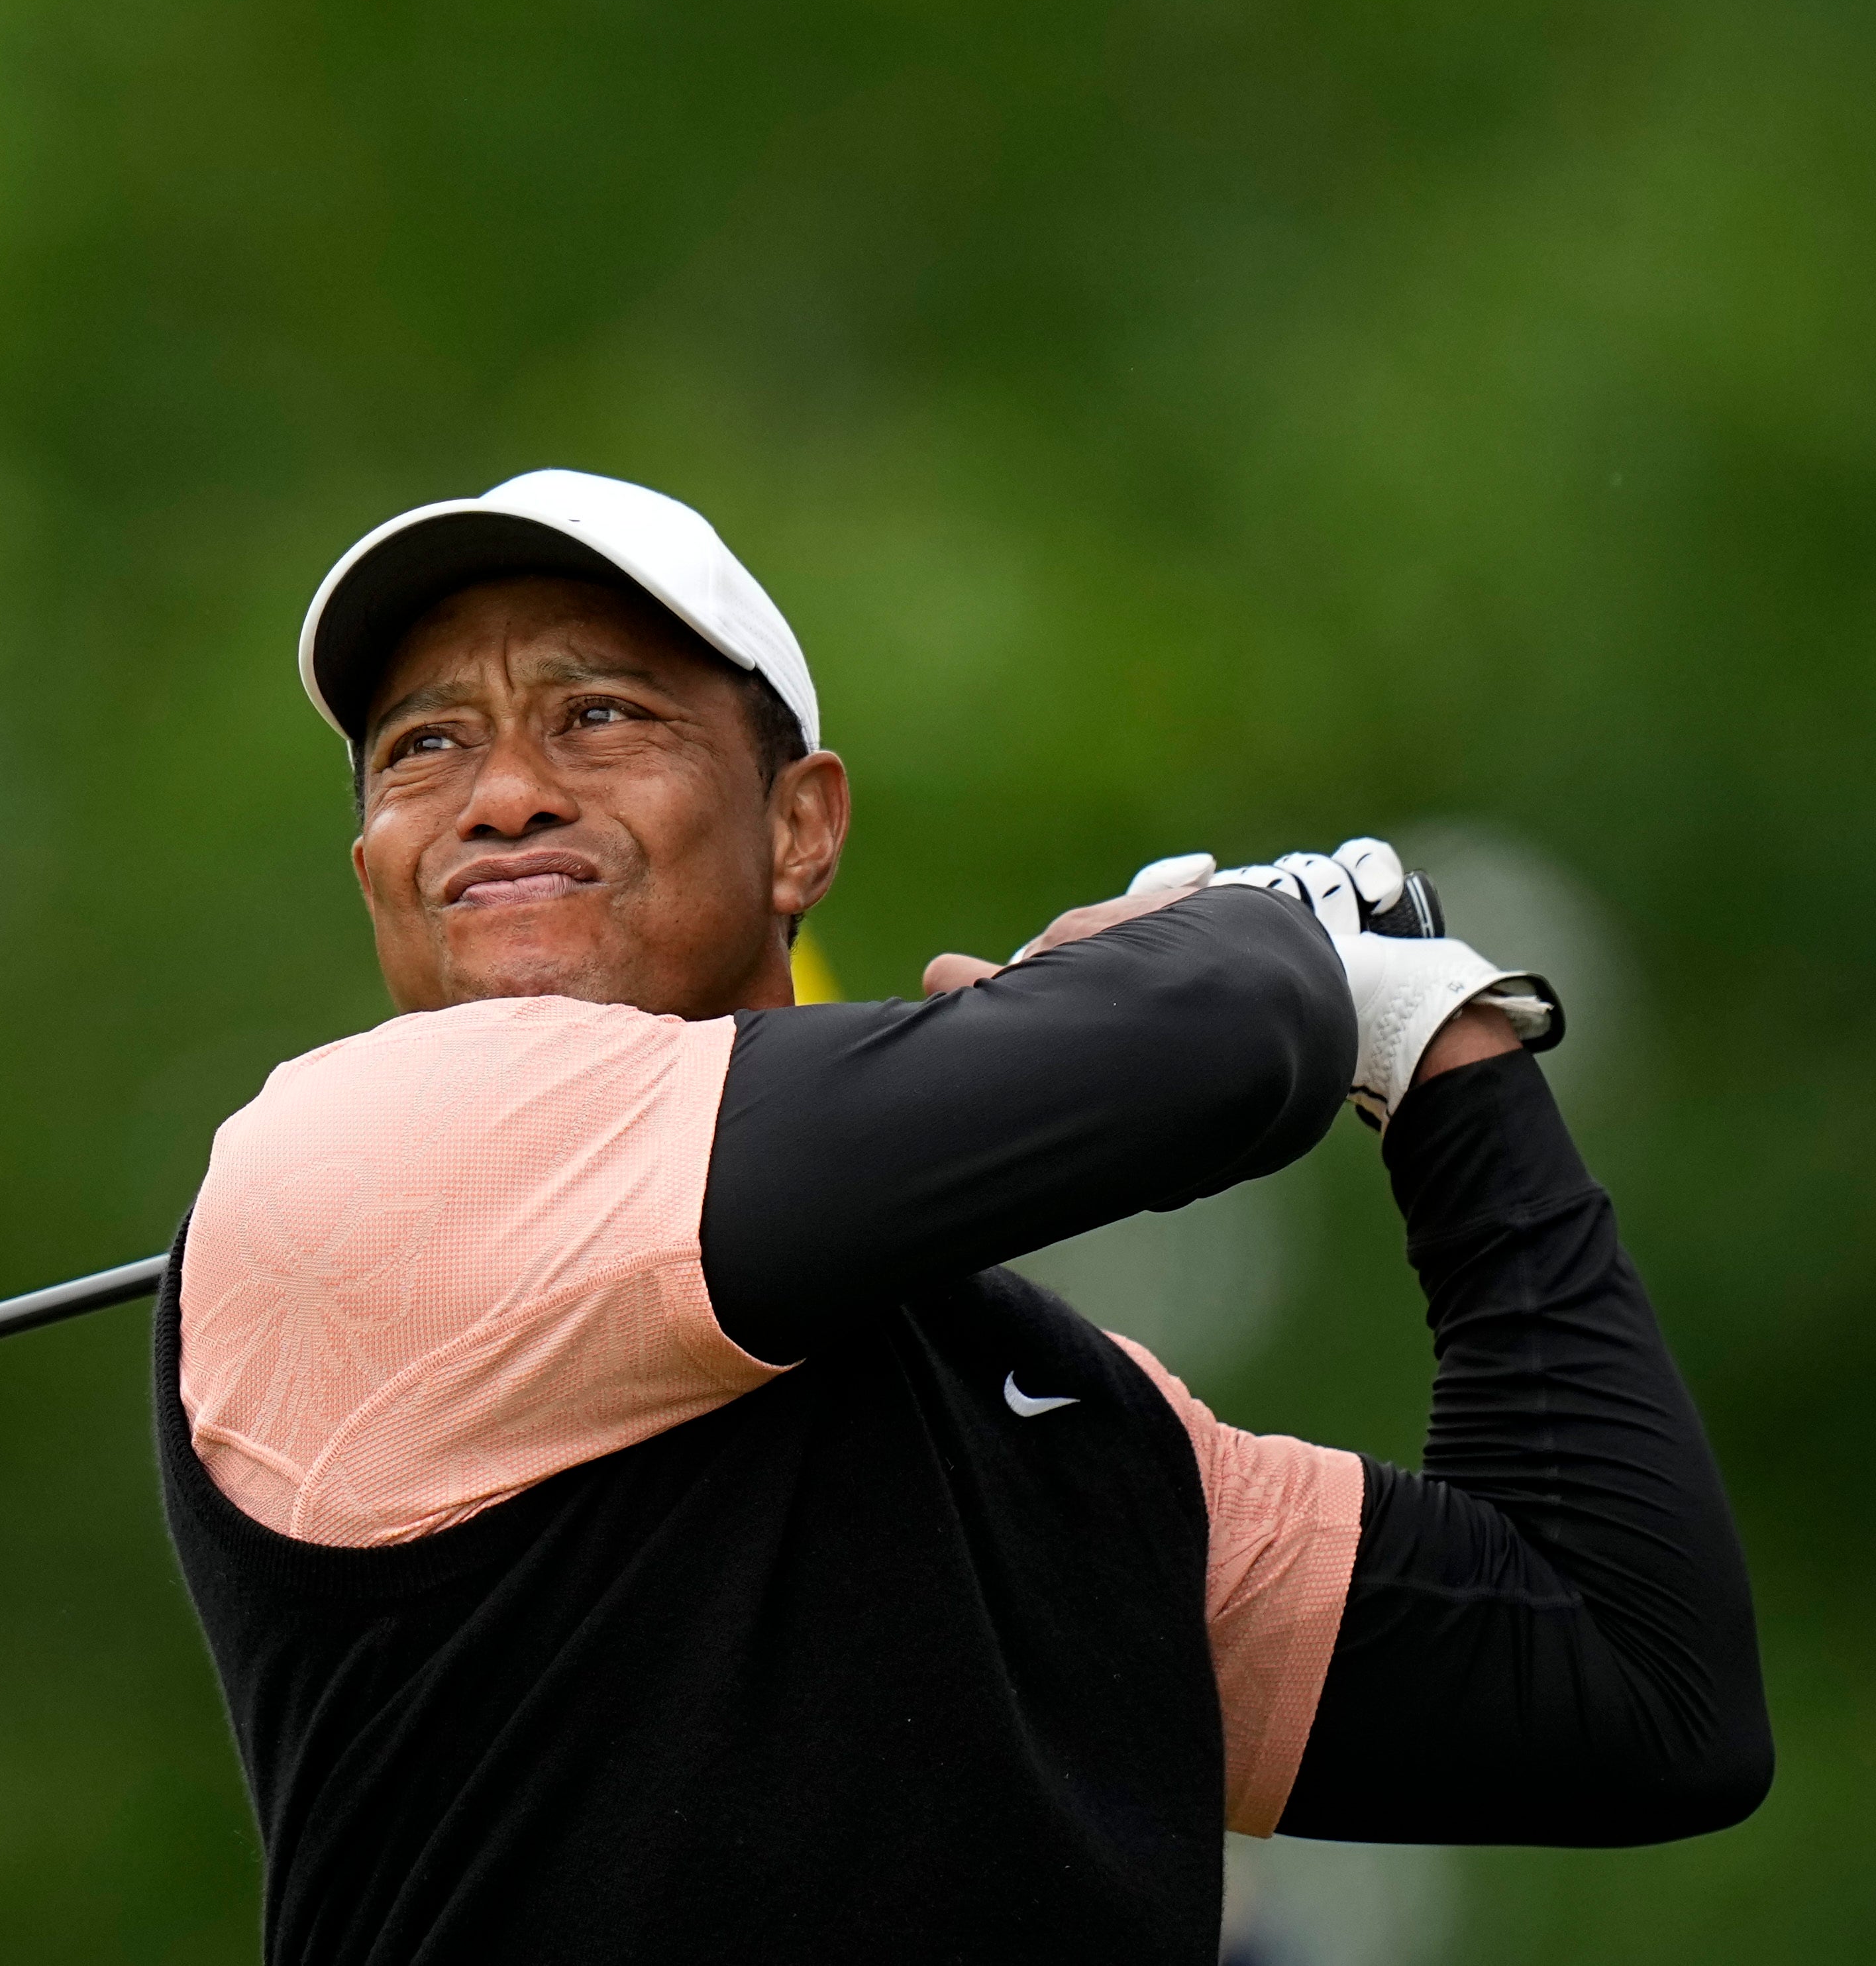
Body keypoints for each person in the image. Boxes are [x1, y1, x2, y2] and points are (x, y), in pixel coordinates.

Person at [152, 470, 1769, 1964]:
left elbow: (1636, 1688)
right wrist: (1238, 958)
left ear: (802, 827)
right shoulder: (354, 1155)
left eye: (596, 715)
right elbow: (1233, 1027)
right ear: (369, 861)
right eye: (421, 748)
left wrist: (1444, 1056)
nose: (500, 794)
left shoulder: (1066, 1411)